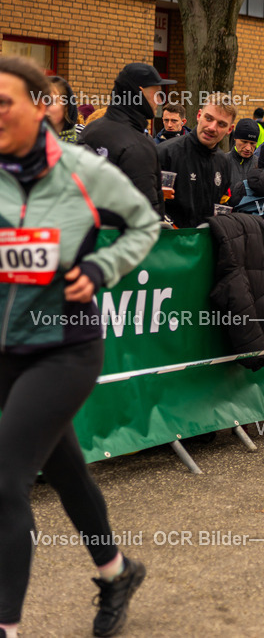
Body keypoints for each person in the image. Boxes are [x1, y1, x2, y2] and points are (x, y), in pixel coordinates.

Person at [0, 55, 160, 638]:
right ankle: (117, 572)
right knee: (64, 470)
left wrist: (99, 264)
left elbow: (143, 223)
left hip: (64, 346)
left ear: (39, 107)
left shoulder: (79, 168)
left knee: (5, 479)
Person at [79, 62, 174, 216]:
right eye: (157, 95)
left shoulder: (90, 130)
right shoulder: (138, 145)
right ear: (140, 93)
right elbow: (146, 213)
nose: (160, 102)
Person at [157, 93, 237, 228]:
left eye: (221, 124)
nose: (212, 127)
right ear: (199, 115)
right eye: (208, 118)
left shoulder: (224, 162)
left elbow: (223, 206)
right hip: (169, 245)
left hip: (205, 245)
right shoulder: (165, 153)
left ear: (229, 129)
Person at [45, 76, 80, 143]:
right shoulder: (24, 147)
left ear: (66, 106)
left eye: (50, 101)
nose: (43, 107)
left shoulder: (82, 151)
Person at [229, 117, 261, 184]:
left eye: (252, 143)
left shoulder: (260, 165)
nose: (248, 148)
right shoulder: (222, 162)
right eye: (244, 142)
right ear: (235, 138)